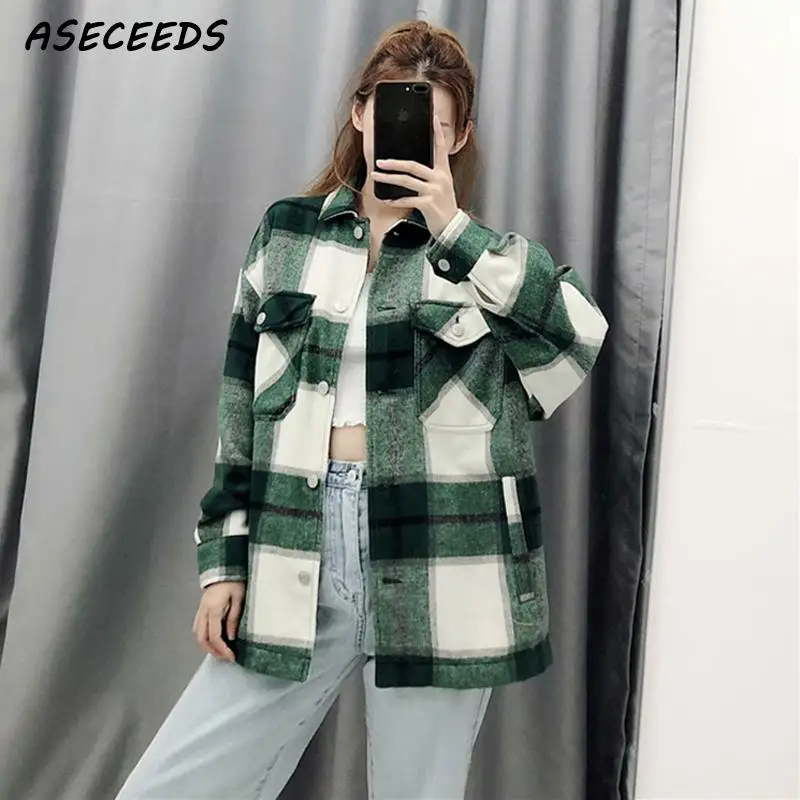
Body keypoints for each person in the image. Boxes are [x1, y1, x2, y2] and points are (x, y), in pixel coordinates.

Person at [116, 19, 608, 800]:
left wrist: (453, 229)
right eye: (390, 111)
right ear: (359, 113)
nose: (406, 135)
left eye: (434, 125)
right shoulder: (287, 234)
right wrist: (223, 563)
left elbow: (578, 339)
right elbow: (240, 416)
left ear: (459, 137)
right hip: (296, 546)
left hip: (444, 558)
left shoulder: (486, 260)